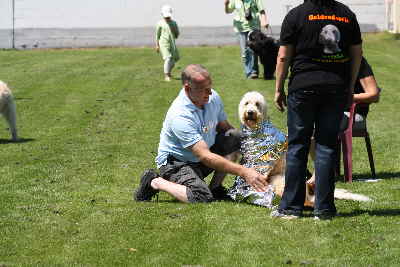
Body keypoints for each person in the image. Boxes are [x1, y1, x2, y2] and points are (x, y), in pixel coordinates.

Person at [273, 0, 363, 220]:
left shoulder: (296, 15)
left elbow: (284, 55)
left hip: (303, 88)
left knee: (297, 146)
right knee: (326, 147)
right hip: (335, 88)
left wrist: (278, 88)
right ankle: (323, 209)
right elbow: (357, 54)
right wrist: (350, 87)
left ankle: (290, 208)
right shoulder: (346, 14)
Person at [134, 64, 268, 203]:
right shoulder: (180, 116)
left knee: (235, 137)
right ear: (187, 88)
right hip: (177, 164)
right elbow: (204, 155)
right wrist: (244, 171)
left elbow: (225, 128)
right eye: (204, 90)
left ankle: (215, 188)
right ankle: (155, 181)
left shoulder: (212, 97)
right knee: (200, 196)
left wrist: (253, 150)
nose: (210, 93)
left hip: (201, 157)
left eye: (210, 87)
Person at [307, 56, 380, 185]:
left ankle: (321, 173)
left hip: (353, 112)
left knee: (315, 124)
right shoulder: (324, 60)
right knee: (301, 126)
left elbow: (374, 94)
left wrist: (343, 98)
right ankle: (323, 170)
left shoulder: (358, 62)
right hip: (329, 110)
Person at [224, 0, 269, 79]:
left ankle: (254, 72)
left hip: (254, 27)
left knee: (254, 49)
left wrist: (264, 21)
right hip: (241, 28)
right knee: (245, 51)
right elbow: (228, 11)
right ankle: (248, 72)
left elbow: (261, 10)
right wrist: (226, 4)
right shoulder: (235, 1)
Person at [156, 5, 180, 82]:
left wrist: (175, 32)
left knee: (172, 62)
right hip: (163, 44)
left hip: (172, 43)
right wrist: (157, 45)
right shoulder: (160, 23)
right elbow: (157, 35)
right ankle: (166, 75)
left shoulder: (174, 23)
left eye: (168, 16)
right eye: (165, 16)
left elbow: (177, 34)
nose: (167, 18)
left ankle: (169, 73)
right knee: (168, 58)